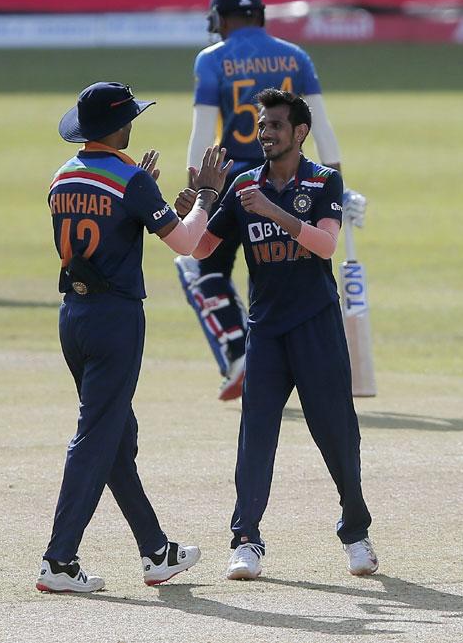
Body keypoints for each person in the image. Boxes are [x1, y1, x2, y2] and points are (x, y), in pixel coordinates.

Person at [36, 81, 232, 593]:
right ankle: (59, 560)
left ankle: (155, 550)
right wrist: (207, 194)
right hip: (115, 319)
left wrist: (140, 194)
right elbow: (188, 244)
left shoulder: (63, 176)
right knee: (97, 438)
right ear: (120, 126)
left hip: (73, 316)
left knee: (115, 439)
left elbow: (92, 230)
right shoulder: (130, 179)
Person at [190, 88, 376, 580]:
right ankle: (246, 539)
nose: (264, 133)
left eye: (274, 125)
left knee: (337, 434)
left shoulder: (323, 181)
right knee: (256, 437)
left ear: (300, 132)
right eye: (260, 125)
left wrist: (275, 213)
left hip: (316, 325)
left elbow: (325, 244)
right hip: (266, 331)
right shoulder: (243, 183)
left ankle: (355, 532)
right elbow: (201, 248)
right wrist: (201, 202)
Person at [176, 0, 365, 401]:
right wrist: (338, 188)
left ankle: (237, 351)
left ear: (221, 20)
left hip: (233, 184)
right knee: (285, 270)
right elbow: (322, 127)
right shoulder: (295, 56)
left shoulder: (211, 59)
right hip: (292, 179)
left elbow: (203, 133)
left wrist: (198, 197)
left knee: (198, 266)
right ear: (260, 15)